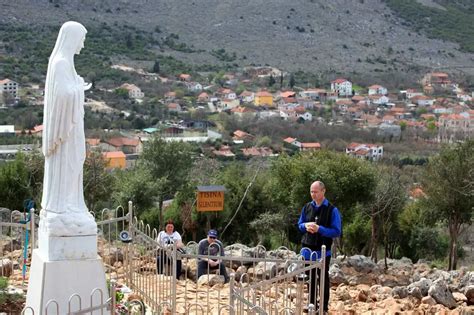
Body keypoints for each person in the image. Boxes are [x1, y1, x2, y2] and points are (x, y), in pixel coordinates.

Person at [41, 21, 96, 236]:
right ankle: (63, 206)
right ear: (72, 38)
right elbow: (62, 96)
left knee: (77, 161)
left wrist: (77, 87)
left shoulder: (67, 64)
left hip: (73, 128)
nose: (82, 44)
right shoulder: (60, 64)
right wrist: (79, 89)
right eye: (81, 39)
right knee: (69, 163)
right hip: (66, 132)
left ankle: (72, 204)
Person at [297, 181, 342, 313]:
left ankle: (323, 307)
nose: (313, 194)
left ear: (323, 191)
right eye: (311, 191)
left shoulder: (332, 210)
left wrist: (319, 229)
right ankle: (311, 305)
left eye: (316, 192)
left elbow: (336, 231)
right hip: (307, 250)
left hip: (323, 252)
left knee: (323, 280)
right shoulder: (306, 207)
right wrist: (305, 226)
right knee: (309, 279)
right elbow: (299, 225)